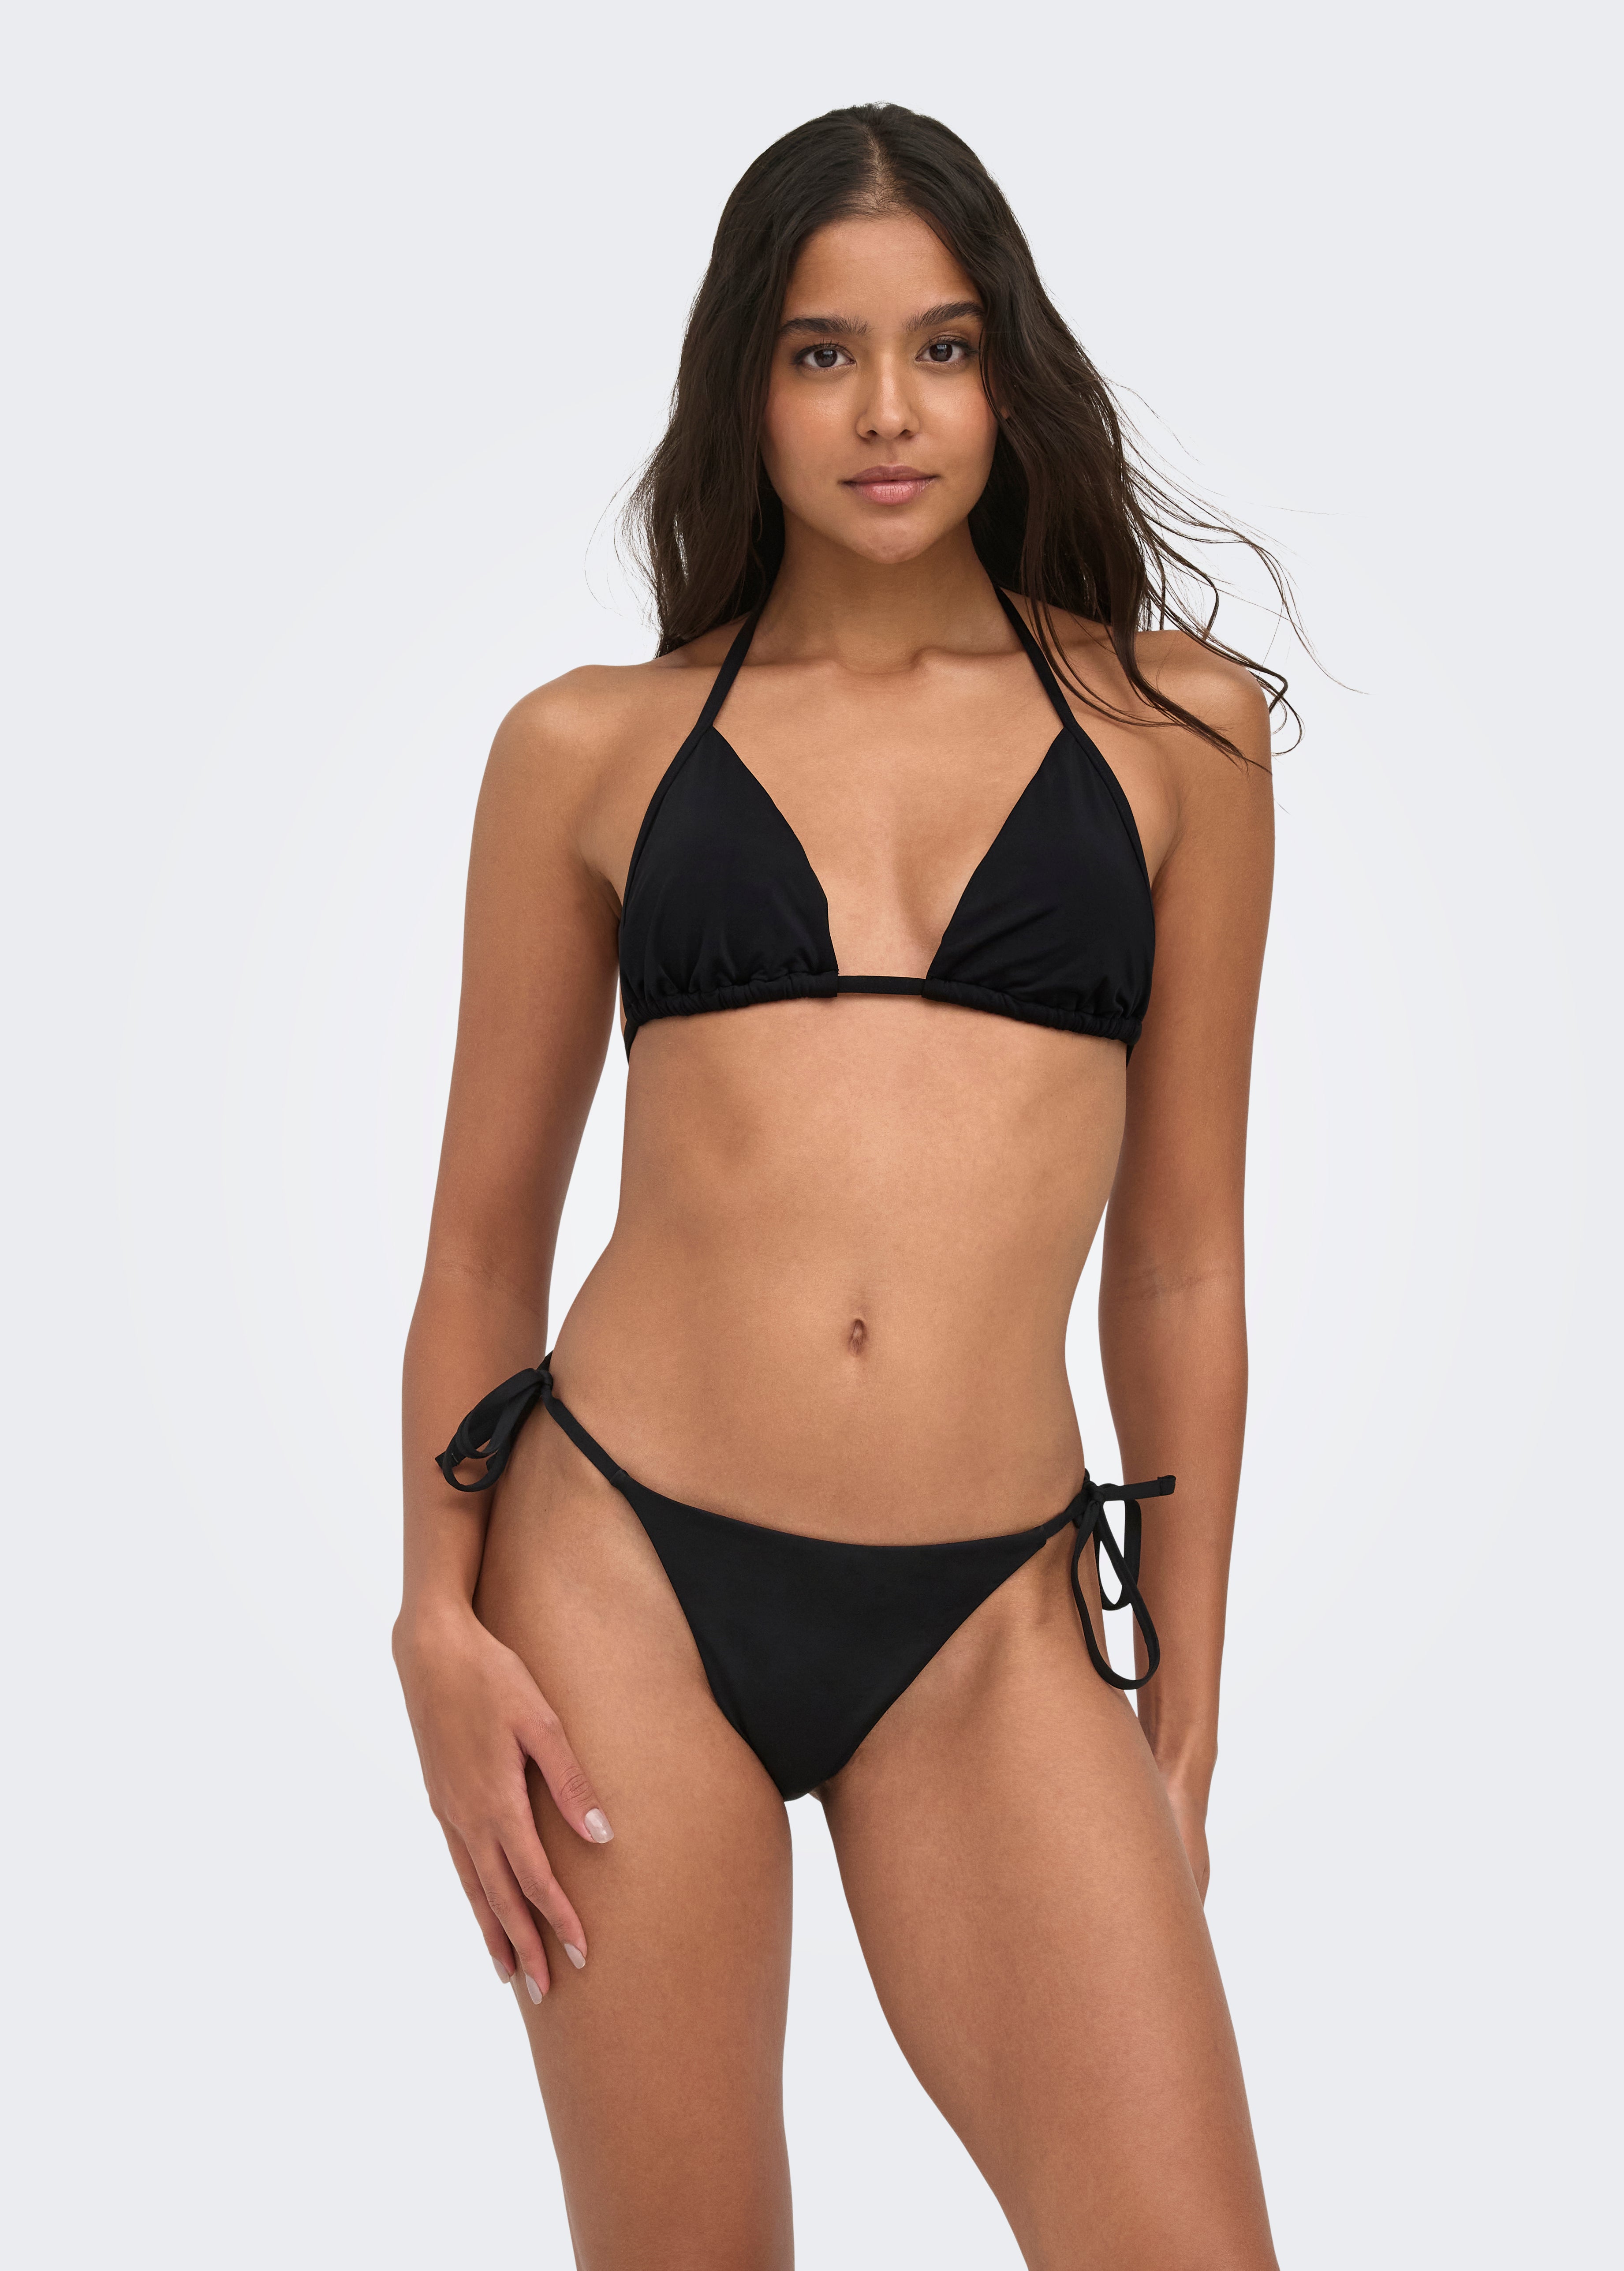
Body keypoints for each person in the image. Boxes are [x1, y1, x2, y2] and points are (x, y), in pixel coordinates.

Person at [395, 101, 1291, 2269]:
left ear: (1007, 374)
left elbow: (1181, 1261)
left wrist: (1183, 1701)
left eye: (941, 347)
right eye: (823, 353)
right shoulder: (588, 747)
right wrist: (435, 1616)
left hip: (990, 1619)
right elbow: (484, 1242)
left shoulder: (1180, 734)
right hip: (619, 1572)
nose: (888, 410)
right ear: (748, 384)